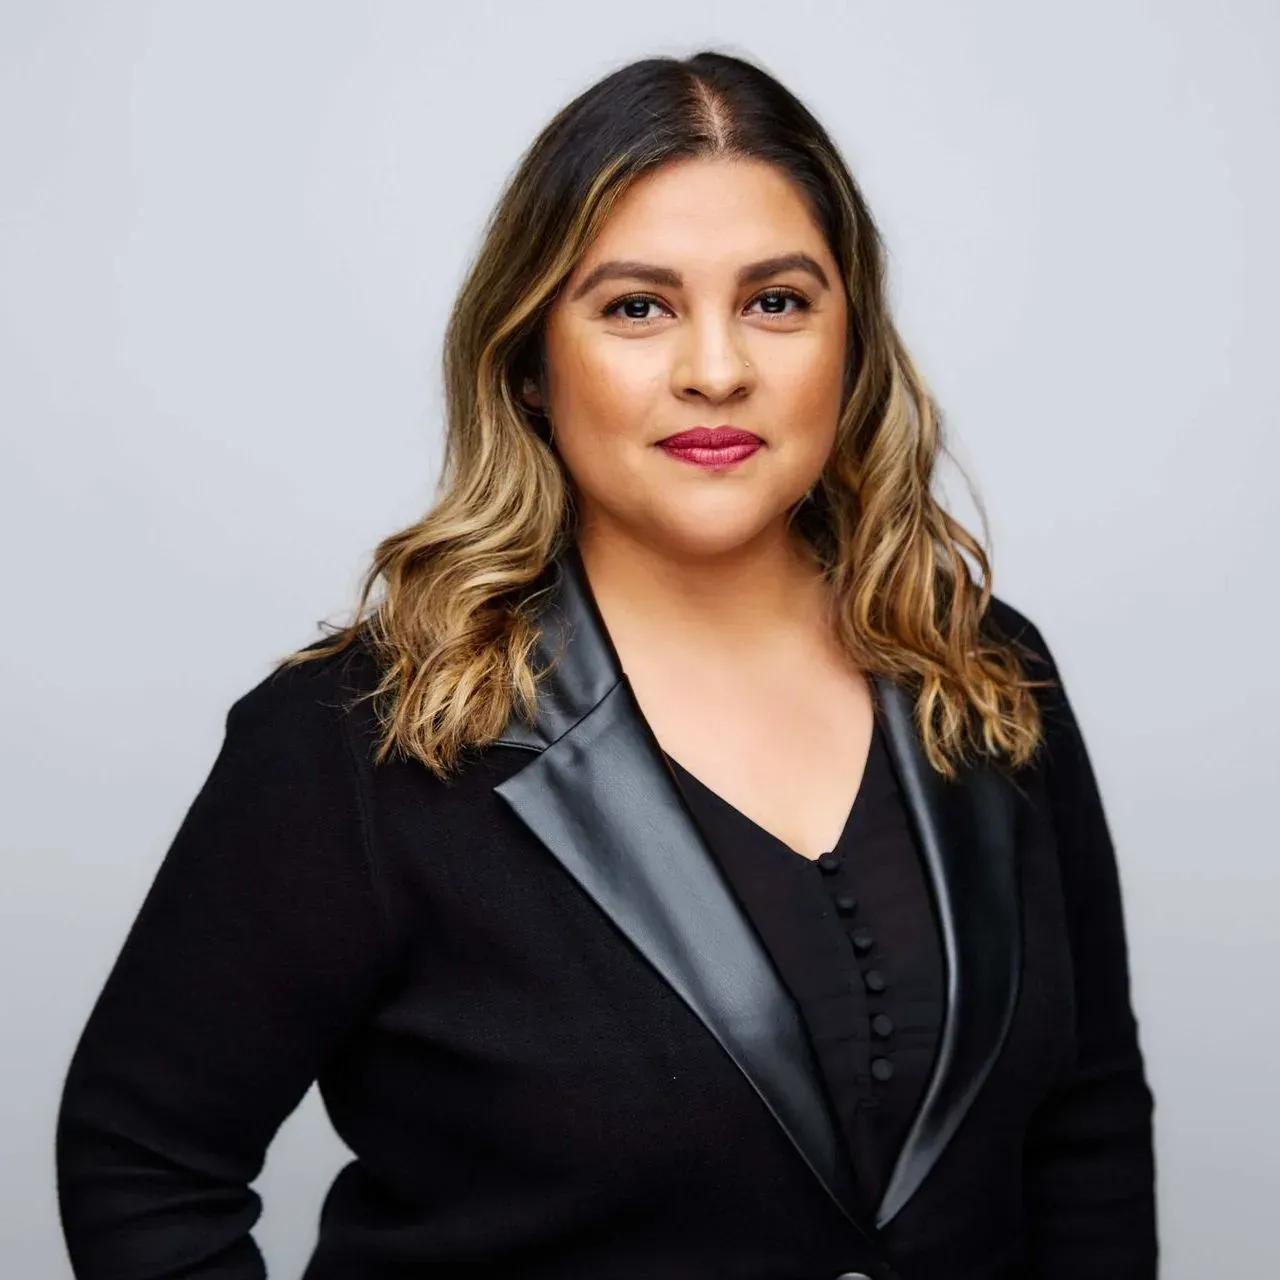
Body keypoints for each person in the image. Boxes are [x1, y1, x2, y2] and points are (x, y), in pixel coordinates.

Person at [55, 48, 1157, 1280]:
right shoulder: (354, 739)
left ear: (849, 346)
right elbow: (141, 1164)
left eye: (776, 301)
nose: (716, 368)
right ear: (529, 360)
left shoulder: (987, 673)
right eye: (636, 305)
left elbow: (1086, 1123)